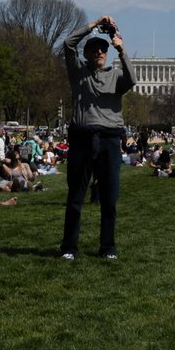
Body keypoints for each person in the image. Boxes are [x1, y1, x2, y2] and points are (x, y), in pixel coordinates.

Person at [59, 15, 136, 260]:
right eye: (94, 50)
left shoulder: (115, 75)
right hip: (82, 137)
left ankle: (108, 247)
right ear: (88, 54)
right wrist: (94, 24)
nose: (99, 53)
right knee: (75, 198)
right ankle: (69, 247)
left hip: (109, 139)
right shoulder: (79, 73)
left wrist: (121, 48)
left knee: (109, 199)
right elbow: (68, 44)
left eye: (102, 50)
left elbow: (132, 79)